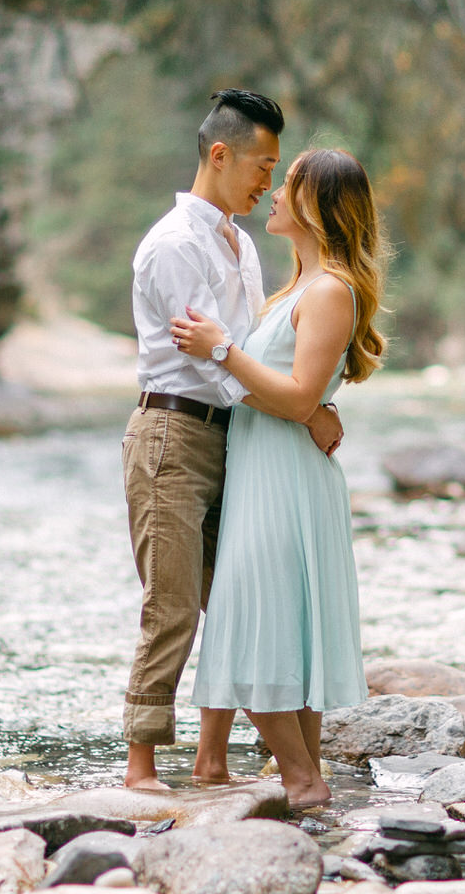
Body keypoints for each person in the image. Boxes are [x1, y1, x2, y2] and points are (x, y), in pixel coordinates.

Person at [122, 90, 343, 790]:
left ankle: (216, 761)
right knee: (174, 602)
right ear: (220, 156)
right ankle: (140, 764)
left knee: (240, 600)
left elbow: (245, 351)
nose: (267, 183)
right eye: (262, 165)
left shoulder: (241, 243)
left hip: (235, 439)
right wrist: (303, 412)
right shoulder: (174, 245)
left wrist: (292, 402)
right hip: (173, 436)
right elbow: (205, 362)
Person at [169, 147, 388, 807]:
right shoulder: (291, 290)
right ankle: (306, 790)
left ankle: (303, 781)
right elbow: (290, 394)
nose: (274, 192)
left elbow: (291, 396)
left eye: (289, 184)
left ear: (318, 205)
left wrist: (222, 350)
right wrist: (308, 403)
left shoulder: (331, 290)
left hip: (287, 480)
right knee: (279, 623)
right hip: (265, 469)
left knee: (254, 622)